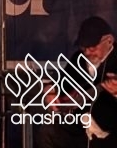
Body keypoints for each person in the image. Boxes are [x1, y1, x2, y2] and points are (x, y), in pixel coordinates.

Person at [33, 16, 117, 148]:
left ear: (109, 41)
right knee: (47, 133)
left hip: (110, 132)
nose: (87, 53)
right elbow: (60, 81)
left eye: (92, 48)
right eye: (84, 48)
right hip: (80, 129)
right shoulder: (79, 58)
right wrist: (50, 91)